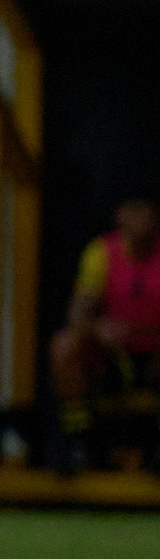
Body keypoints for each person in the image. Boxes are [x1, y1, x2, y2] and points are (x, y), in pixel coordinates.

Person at [48, 194, 160, 472]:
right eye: (132, 210)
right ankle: (77, 440)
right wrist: (99, 328)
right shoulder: (102, 253)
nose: (138, 219)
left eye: (145, 210)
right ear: (120, 215)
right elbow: (77, 312)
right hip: (112, 359)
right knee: (65, 346)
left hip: (154, 357)